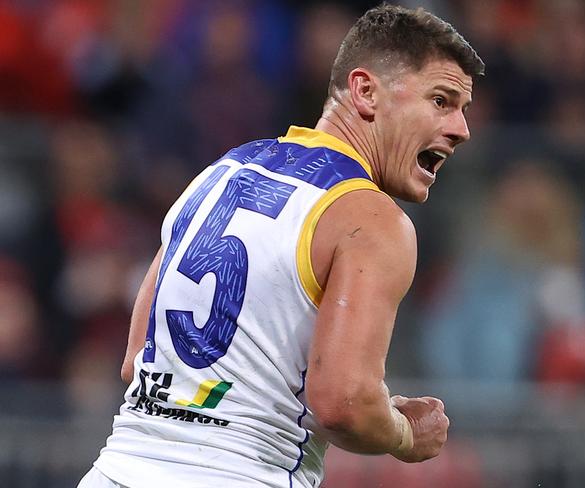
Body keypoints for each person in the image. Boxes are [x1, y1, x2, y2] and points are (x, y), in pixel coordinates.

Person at [78, 4, 484, 488]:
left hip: (114, 471)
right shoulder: (372, 221)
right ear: (365, 91)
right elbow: (342, 405)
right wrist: (402, 433)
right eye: (441, 101)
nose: (461, 129)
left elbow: (136, 361)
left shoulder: (221, 172)